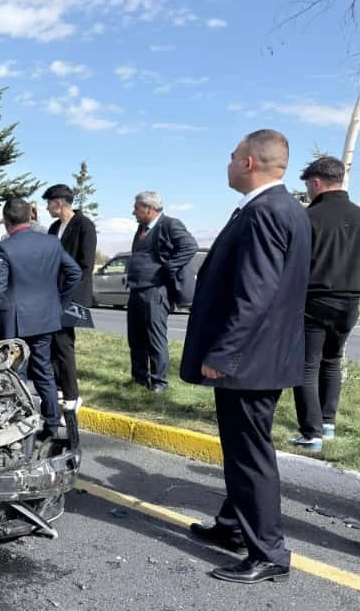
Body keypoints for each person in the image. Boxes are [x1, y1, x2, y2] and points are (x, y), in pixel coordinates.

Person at [180, 129, 311, 584]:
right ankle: (234, 526)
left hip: (249, 360)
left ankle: (269, 553)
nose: (229, 162)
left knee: (250, 453)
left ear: (250, 163)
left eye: (233, 155)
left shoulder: (265, 212)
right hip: (264, 356)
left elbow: (255, 294)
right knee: (243, 448)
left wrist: (224, 353)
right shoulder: (287, 208)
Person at [289, 156, 360, 451]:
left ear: (316, 182)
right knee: (331, 361)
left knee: (305, 366)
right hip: (349, 304)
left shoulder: (307, 218)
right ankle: (327, 424)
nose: (307, 191)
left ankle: (311, 433)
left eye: (307, 185)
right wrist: (351, 288)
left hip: (312, 301)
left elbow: (292, 265)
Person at [0, 198, 81, 439]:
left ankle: (18, 427)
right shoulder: (51, 242)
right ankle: (50, 427)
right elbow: (74, 273)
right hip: (46, 318)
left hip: (14, 322)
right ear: (29, 216)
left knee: (15, 375)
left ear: (5, 220)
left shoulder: (3, 247)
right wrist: (60, 303)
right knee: (44, 372)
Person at [126, 190, 197, 392]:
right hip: (136, 290)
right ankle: (139, 379)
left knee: (154, 338)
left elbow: (190, 246)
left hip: (156, 292)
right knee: (136, 338)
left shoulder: (169, 224)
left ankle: (159, 383)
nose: (133, 212)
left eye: (136, 208)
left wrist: (169, 267)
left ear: (148, 209)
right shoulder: (141, 228)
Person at [43, 184, 97, 411]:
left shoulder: (85, 226)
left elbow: (86, 266)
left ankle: (72, 396)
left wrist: (68, 297)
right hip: (51, 295)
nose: (46, 208)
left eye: (49, 203)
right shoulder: (54, 227)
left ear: (59, 202)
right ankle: (58, 389)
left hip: (70, 296)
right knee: (53, 344)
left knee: (64, 344)